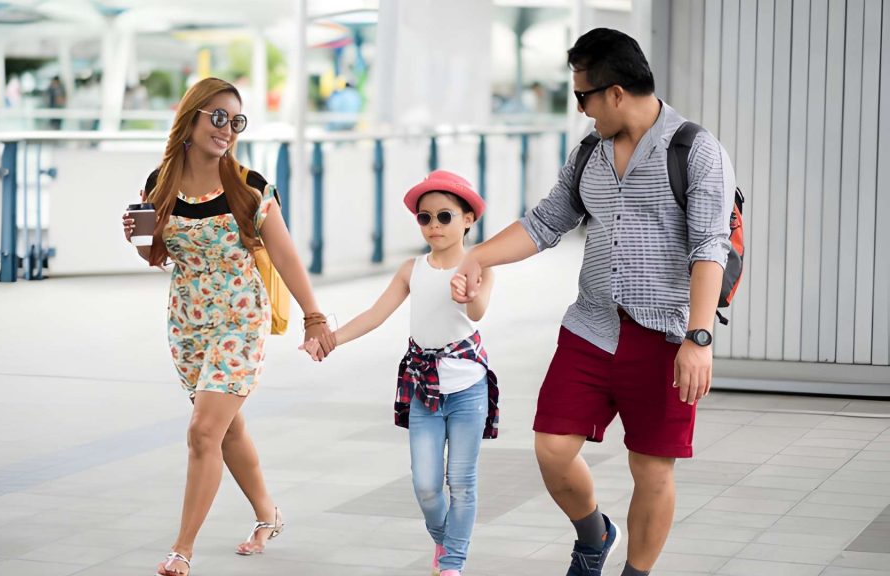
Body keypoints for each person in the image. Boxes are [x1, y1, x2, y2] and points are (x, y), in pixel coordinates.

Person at [452, 29, 736, 576]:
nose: (581, 110)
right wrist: (478, 258)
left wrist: (698, 340)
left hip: (666, 334)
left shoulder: (695, 150)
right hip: (592, 326)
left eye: (583, 96)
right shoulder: (590, 152)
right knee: (552, 448)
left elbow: (710, 248)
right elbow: (545, 222)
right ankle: (594, 534)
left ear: (616, 92)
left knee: (651, 467)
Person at [122, 77, 337, 576]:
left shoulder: (249, 186)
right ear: (191, 119)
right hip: (186, 322)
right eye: (217, 117)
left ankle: (182, 549)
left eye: (236, 121)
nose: (227, 129)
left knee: (202, 431)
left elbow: (284, 256)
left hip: (240, 320)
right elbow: (156, 256)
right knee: (226, 428)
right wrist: (135, 235)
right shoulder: (160, 184)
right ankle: (269, 514)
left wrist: (315, 317)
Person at [303, 170, 498, 576]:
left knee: (461, 483)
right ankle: (445, 544)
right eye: (424, 218)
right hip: (423, 389)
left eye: (444, 216)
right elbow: (376, 315)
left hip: (468, 390)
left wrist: (471, 291)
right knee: (426, 486)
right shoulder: (413, 269)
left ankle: (452, 565)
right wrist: (330, 340)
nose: (433, 226)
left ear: (467, 219)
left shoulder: (479, 265)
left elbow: (477, 313)